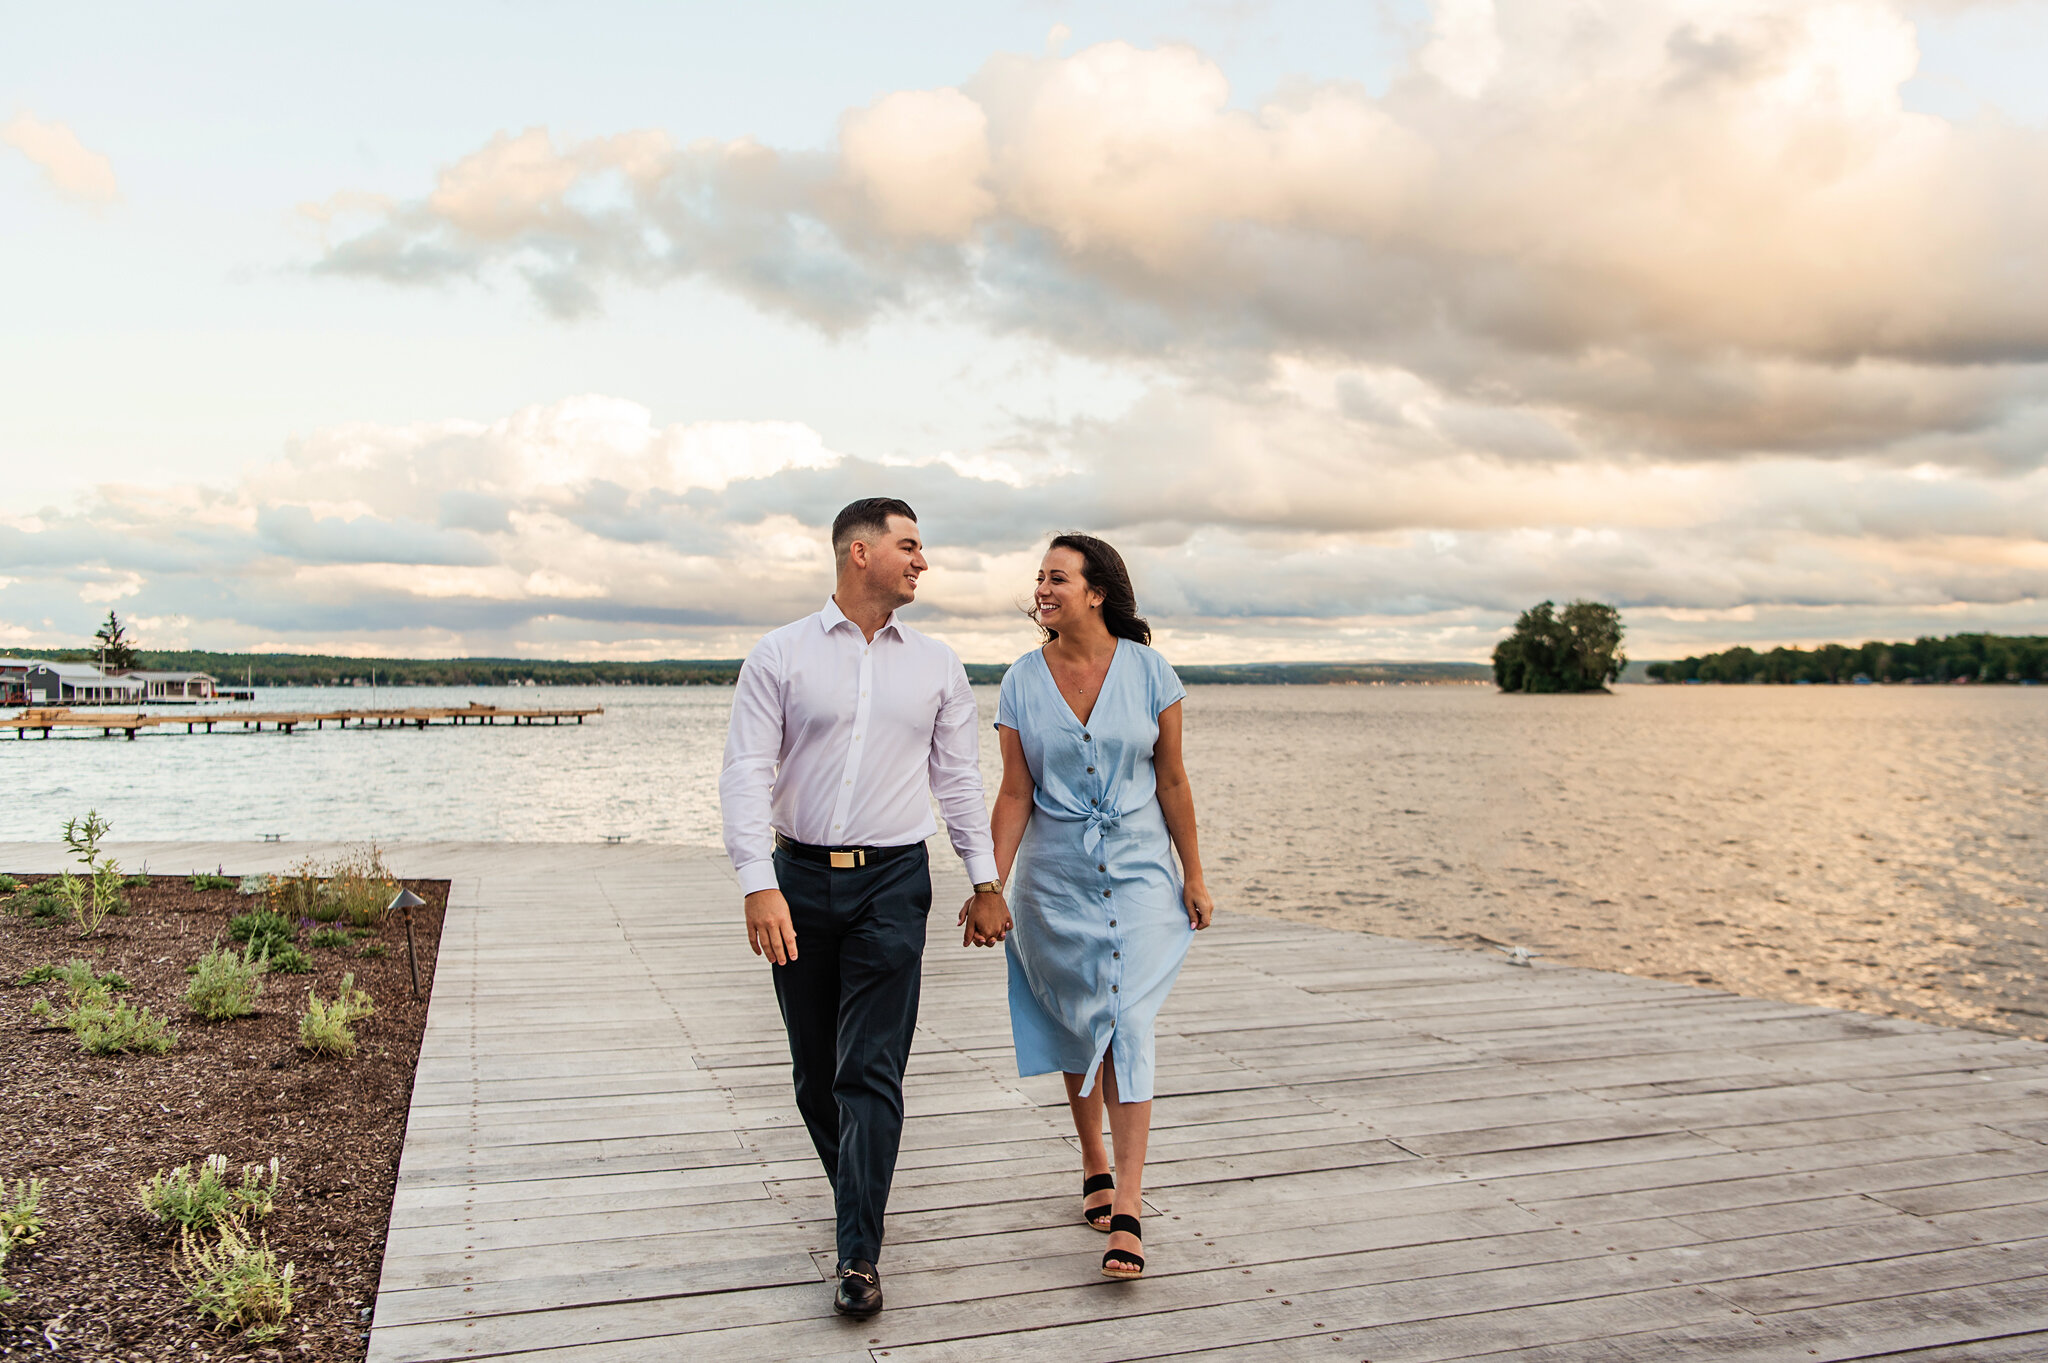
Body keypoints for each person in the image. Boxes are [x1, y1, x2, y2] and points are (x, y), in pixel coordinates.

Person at [719, 497, 1008, 1319]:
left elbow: (957, 780)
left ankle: (857, 1255)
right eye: (909, 545)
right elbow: (746, 771)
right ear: (859, 551)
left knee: (867, 1069)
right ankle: (861, 1199)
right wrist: (756, 880)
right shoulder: (779, 655)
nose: (922, 560)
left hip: (893, 882)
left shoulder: (939, 664)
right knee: (816, 1076)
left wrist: (984, 881)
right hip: (798, 880)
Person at [964, 532, 1214, 1281]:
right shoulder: (1020, 680)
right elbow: (1014, 791)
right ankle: (1093, 1158)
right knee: (1078, 1016)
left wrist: (1194, 875)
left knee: (1128, 1019)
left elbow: (1172, 780)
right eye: (1040, 577)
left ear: (1097, 591)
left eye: (1058, 577)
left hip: (1140, 875)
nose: (1043, 588)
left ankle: (1130, 1209)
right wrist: (989, 884)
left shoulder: (1151, 672)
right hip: (1055, 881)